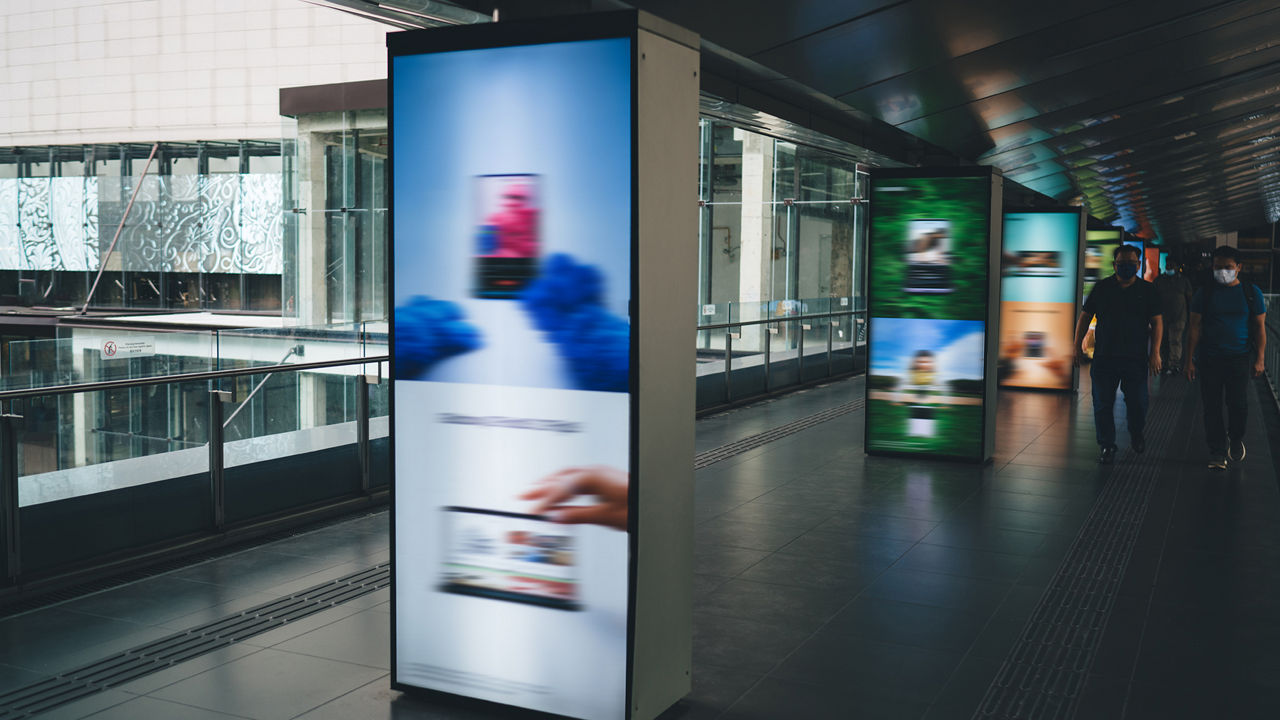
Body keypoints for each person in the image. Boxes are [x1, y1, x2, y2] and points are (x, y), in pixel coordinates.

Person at [1074, 245, 1163, 464]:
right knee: (1102, 404)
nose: (1126, 267)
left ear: (1138, 265)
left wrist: (1156, 353)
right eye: (1121, 263)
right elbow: (1085, 317)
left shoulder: (1148, 290)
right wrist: (1077, 345)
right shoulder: (1103, 288)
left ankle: (1136, 431)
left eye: (1131, 263)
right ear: (1114, 265)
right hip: (1105, 357)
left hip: (1135, 358)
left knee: (1138, 403)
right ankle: (1107, 444)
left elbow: (1157, 322)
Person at [1184, 246, 1268, 470]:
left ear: (1238, 268)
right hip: (1209, 359)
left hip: (1239, 358)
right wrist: (1189, 359)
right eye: (1218, 267)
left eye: (1228, 267)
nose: (1222, 271)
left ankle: (1236, 436)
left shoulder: (1251, 293)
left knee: (1238, 404)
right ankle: (1217, 451)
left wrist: (1260, 359)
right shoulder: (1205, 293)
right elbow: (1194, 327)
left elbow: (1260, 328)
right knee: (1211, 407)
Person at [1154, 263, 1193, 374]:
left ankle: (1174, 364)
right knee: (1163, 341)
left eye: (1172, 265)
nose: (1169, 267)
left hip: (1179, 316)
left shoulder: (1183, 280)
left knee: (1175, 340)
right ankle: (1164, 363)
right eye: (1168, 265)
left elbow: (1189, 297)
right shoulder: (1159, 280)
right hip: (1162, 316)